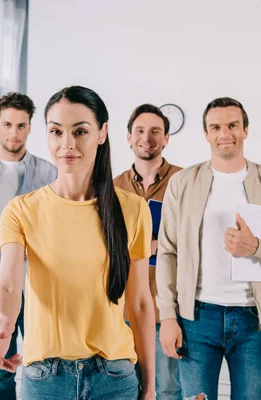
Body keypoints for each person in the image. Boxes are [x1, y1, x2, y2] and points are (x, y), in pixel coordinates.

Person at [0, 86, 156, 399]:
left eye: (80, 131)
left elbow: (141, 302)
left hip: (114, 377)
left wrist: (151, 385)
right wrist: (1, 321)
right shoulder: (22, 210)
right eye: (56, 131)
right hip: (46, 379)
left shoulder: (133, 209)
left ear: (102, 133)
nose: (67, 144)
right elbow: (8, 286)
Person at [156, 97, 261, 400]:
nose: (224, 133)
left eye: (232, 125)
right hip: (196, 319)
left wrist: (258, 247)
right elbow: (168, 251)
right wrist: (168, 316)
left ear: (245, 130)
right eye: (215, 127)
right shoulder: (182, 183)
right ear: (206, 134)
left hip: (254, 320)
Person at [0, 92, 56, 400]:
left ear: (30, 128)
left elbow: (61, 228)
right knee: (1, 365)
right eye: (7, 125)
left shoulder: (50, 173)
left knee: (44, 362)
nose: (13, 133)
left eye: (21, 125)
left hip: (38, 285)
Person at [114, 103, 183, 399]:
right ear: (128, 137)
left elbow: (199, 239)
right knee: (126, 389)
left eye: (156, 131)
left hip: (167, 308)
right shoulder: (112, 186)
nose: (147, 137)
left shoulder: (184, 181)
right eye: (140, 131)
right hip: (122, 310)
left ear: (166, 138)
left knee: (167, 389)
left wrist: (158, 244)